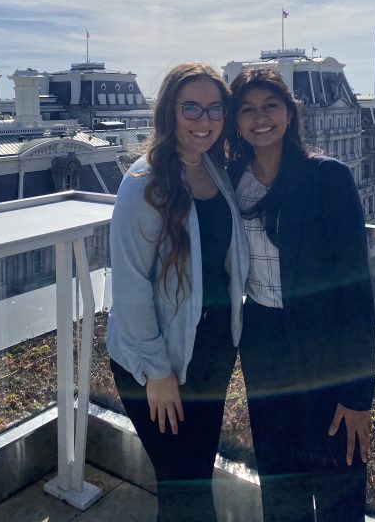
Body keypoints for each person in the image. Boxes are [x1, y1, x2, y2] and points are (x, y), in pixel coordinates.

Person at [227, 67, 375, 522]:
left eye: (270, 107)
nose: (260, 119)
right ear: (236, 120)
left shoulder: (327, 177)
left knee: (338, 479)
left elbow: (355, 288)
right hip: (263, 341)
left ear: (290, 115)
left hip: (325, 346)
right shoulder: (230, 178)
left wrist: (358, 396)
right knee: (278, 477)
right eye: (248, 109)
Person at [106, 63, 249, 522]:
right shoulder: (144, 181)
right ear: (170, 110)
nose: (204, 120)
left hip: (210, 351)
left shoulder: (215, 168)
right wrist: (156, 371)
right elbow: (129, 285)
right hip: (158, 359)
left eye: (215, 108)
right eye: (191, 107)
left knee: (194, 475)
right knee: (182, 484)